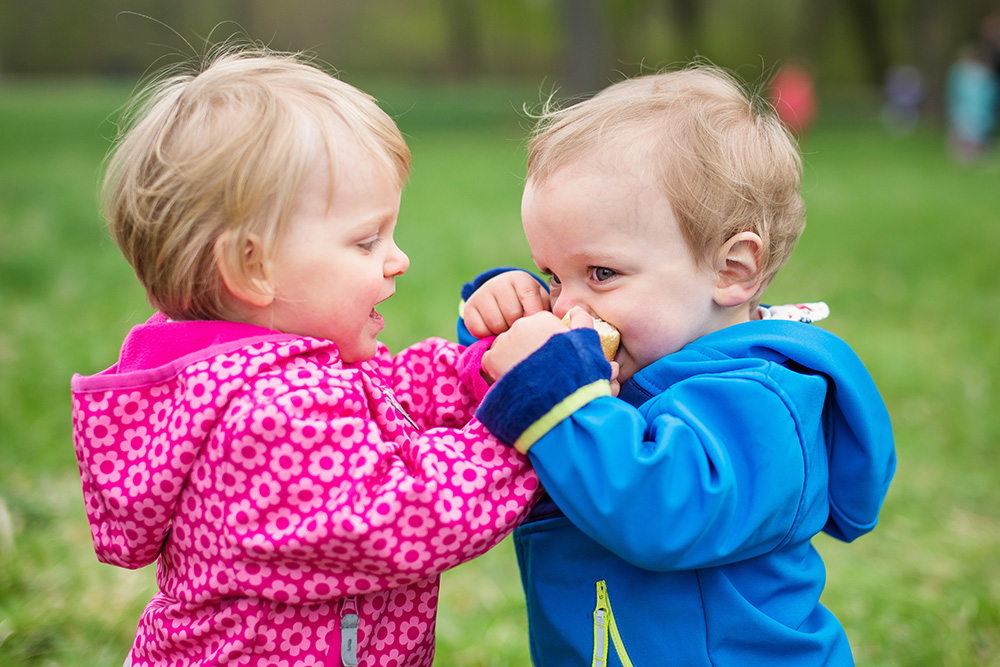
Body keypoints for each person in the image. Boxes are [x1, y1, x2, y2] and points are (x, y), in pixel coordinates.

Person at [70, 47, 541, 667]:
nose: (396, 259)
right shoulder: (262, 415)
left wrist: (480, 371)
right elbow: (405, 515)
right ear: (253, 268)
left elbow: (392, 395)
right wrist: (528, 413)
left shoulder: (275, 376)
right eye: (367, 240)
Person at [460, 65, 896, 666]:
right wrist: (506, 324)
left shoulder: (763, 402)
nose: (567, 307)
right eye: (552, 276)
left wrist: (552, 394)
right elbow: (503, 422)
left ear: (732, 270)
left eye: (602, 274)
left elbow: (662, 511)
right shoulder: (641, 355)